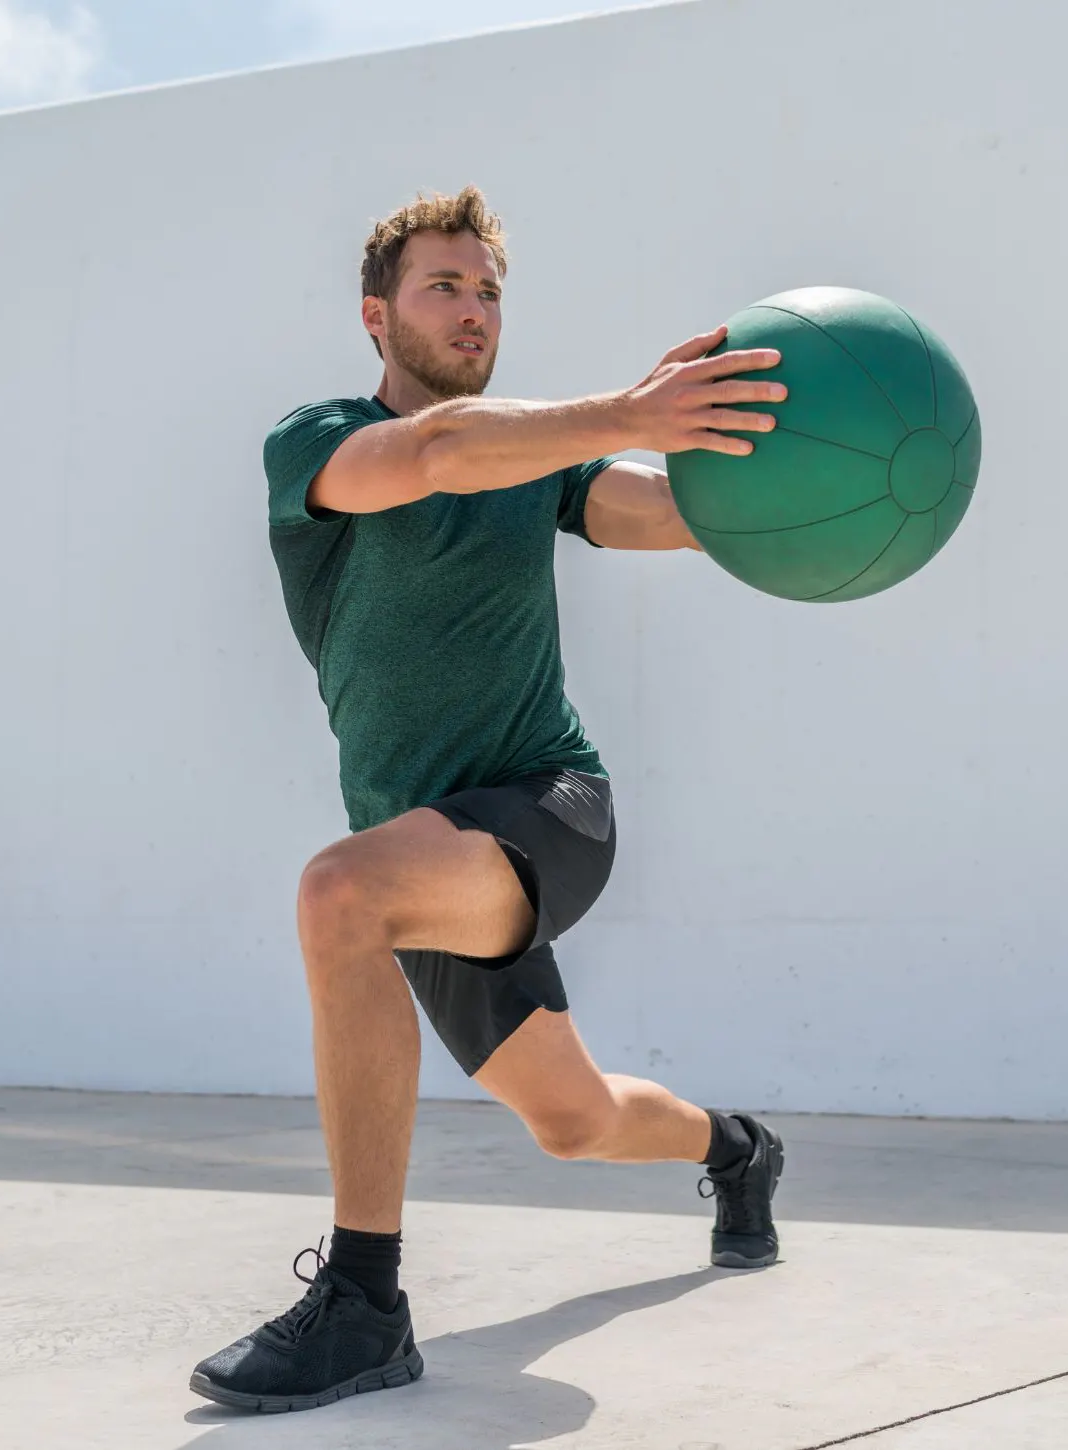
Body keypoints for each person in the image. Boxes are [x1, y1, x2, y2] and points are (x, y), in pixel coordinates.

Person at [189, 186, 789, 1414]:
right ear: (377, 315)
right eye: (445, 287)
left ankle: (363, 1301)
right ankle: (738, 1149)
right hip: (435, 853)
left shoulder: (544, 465)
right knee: (574, 1120)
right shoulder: (317, 444)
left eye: (490, 291)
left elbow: (674, 514)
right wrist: (621, 410)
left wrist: (796, 486)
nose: (475, 310)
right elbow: (436, 454)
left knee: (338, 890)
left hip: (549, 804)